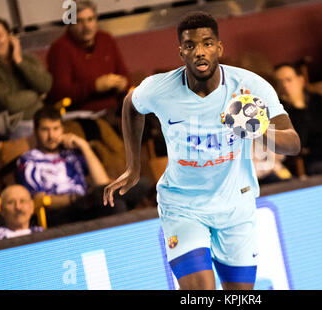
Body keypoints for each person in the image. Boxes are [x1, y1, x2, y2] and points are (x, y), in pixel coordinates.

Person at [103, 11, 300, 290]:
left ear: (219, 47)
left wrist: (256, 128)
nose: (199, 52)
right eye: (190, 45)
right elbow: (131, 105)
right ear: (181, 51)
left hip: (235, 205)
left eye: (207, 43)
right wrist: (133, 166)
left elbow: (293, 143)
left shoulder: (250, 86)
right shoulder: (160, 89)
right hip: (183, 206)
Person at [16, 107, 149, 227]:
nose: (51, 136)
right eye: (45, 130)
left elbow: (101, 182)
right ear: (36, 131)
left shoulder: (70, 154)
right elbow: (39, 199)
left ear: (62, 129)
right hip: (61, 213)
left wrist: (83, 146)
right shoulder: (28, 161)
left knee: (132, 192)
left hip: (87, 205)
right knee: (119, 200)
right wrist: (74, 199)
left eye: (55, 129)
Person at [46, 0, 130, 118]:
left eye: (90, 19)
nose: (86, 27)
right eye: (79, 21)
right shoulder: (60, 49)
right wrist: (94, 86)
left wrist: (123, 84)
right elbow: (60, 93)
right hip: (82, 115)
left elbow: (124, 75)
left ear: (96, 20)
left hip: (115, 109)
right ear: (70, 24)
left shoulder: (106, 39)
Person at [273, 62, 322, 175]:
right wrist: (298, 107)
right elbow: (298, 145)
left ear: (300, 81)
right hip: (312, 164)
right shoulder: (278, 112)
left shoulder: (318, 100)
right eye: (279, 82)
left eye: (288, 80)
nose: (284, 85)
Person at [0, 17, 52, 139]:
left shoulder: (27, 59)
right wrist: (36, 94)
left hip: (42, 117)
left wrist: (19, 61)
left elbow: (46, 85)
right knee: (33, 133)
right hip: (12, 124)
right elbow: (8, 103)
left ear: (10, 36)